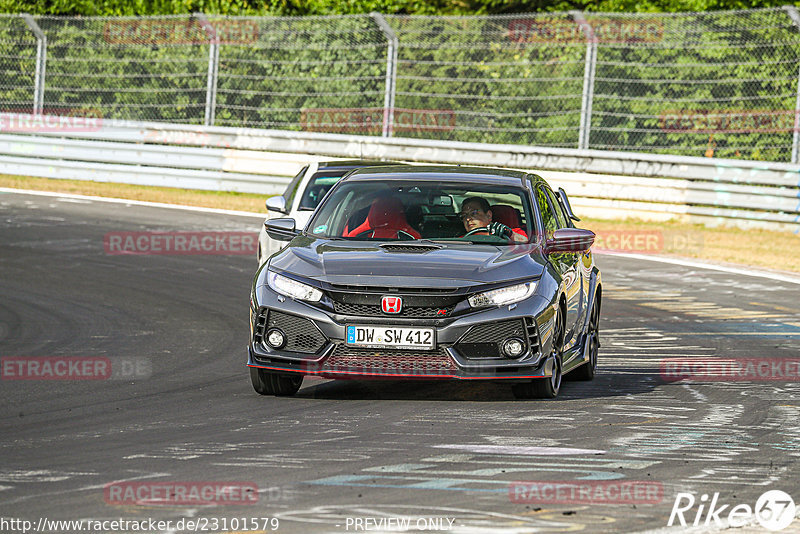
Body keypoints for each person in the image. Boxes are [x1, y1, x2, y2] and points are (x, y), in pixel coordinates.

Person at [458, 197, 527, 242]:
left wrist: (509, 234)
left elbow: (525, 244)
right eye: (464, 215)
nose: (467, 219)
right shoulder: (462, 240)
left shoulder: (511, 233)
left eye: (474, 213)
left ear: (488, 215)